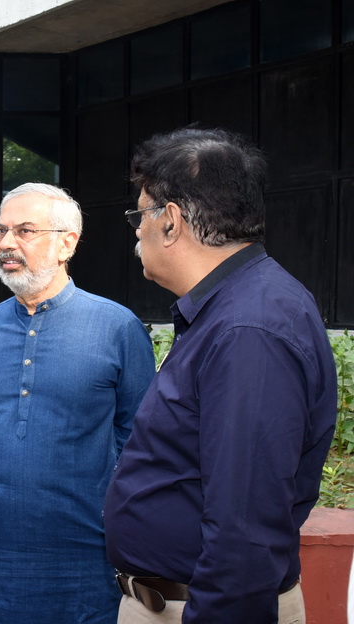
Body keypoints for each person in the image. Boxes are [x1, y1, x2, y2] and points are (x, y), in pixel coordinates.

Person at [103, 128, 336, 623]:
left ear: (170, 222)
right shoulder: (233, 309)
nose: (136, 232)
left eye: (140, 216)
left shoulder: (248, 328)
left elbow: (244, 529)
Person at [0, 183, 155, 623]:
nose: (6, 243)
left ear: (67, 244)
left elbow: (139, 441)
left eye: (25, 230)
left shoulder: (118, 328)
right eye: (0, 230)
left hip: (81, 545)